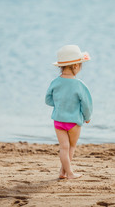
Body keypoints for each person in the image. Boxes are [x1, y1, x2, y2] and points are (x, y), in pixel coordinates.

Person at [45, 45, 93, 179]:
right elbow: (87, 105)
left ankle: (62, 172)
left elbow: (48, 100)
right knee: (71, 147)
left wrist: (60, 104)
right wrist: (87, 117)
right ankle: (69, 173)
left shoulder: (55, 82)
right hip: (73, 122)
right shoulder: (80, 85)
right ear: (76, 66)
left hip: (58, 121)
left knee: (63, 148)